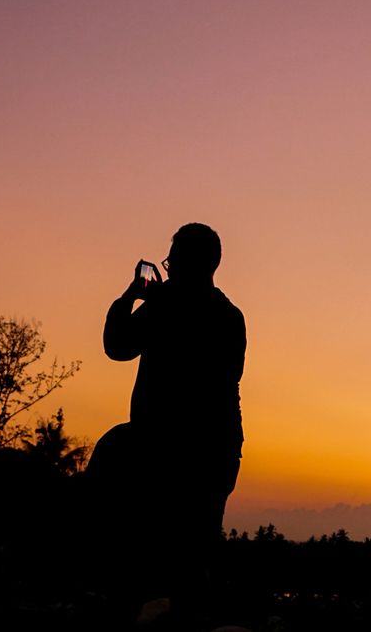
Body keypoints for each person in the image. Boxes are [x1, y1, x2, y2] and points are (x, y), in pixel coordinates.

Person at [95, 222, 247, 618]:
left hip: (163, 451)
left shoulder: (166, 306)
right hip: (218, 451)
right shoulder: (231, 316)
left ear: (184, 262)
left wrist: (132, 295)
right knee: (194, 556)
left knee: (136, 550)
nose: (170, 266)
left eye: (173, 258)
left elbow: (116, 346)